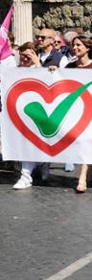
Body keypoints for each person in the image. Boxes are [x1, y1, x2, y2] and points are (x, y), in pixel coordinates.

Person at [48, 34, 92, 193]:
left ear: (87, 48)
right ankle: (88, 173)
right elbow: (61, 83)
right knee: (79, 144)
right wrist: (54, 71)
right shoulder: (70, 67)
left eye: (79, 45)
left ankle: (83, 177)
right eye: (74, 45)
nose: (76, 48)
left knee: (86, 144)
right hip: (74, 112)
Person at [12, 42, 50, 190]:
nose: (25, 58)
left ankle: (32, 171)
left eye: (29, 55)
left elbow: (47, 81)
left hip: (37, 113)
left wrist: (37, 63)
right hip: (19, 113)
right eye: (23, 55)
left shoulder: (40, 69)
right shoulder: (14, 71)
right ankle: (29, 173)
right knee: (25, 143)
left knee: (34, 143)